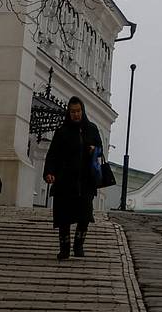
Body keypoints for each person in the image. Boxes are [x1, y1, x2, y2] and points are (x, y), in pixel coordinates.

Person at [42, 96, 102, 260]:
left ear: (82, 111)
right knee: (63, 216)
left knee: (85, 215)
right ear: (69, 113)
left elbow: (100, 149)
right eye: (72, 111)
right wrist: (49, 172)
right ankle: (64, 248)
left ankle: (78, 245)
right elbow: (52, 154)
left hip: (85, 180)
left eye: (78, 111)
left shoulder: (91, 129)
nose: (76, 114)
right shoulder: (62, 132)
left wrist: (93, 149)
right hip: (65, 180)